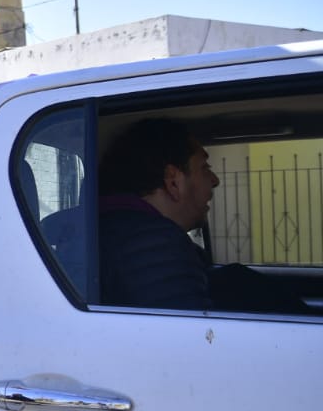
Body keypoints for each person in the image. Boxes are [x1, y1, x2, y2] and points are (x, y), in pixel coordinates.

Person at [99, 117, 311, 313]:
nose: (215, 180)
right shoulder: (154, 244)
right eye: (204, 167)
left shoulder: (118, 232)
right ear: (173, 181)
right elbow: (189, 337)